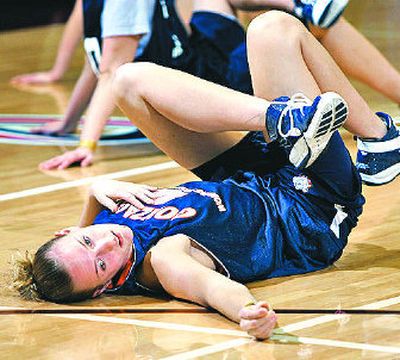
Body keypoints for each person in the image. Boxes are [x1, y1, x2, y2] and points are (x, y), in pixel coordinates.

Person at [14, 81, 360, 341]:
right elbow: (209, 289)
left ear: (69, 230)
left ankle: (290, 120)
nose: (107, 244)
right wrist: (247, 313)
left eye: (88, 241)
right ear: (102, 288)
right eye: (101, 264)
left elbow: (88, 238)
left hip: (258, 175)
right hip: (308, 209)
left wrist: (95, 189)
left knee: (129, 80)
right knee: (278, 32)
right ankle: (376, 134)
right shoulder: (161, 261)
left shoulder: (104, 222)